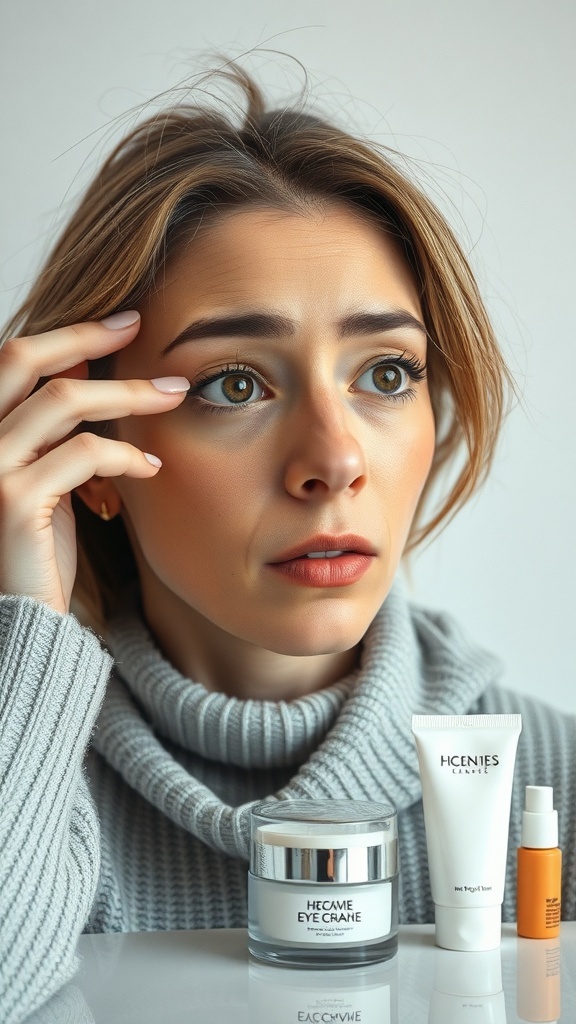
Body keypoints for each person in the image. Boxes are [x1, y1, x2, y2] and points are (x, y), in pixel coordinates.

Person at [0, 63, 574, 1024]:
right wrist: (20, 631)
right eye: (235, 384)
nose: (335, 459)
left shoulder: (550, 780)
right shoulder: (26, 769)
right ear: (88, 455)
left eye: (386, 372)